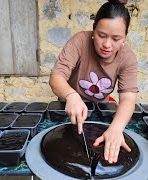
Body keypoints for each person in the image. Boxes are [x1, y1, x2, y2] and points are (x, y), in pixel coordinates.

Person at [49, 0, 138, 164]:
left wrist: (116, 129)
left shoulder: (128, 58)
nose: (107, 44)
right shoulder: (80, 42)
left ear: (125, 37)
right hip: (69, 108)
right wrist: (71, 95)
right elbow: (56, 77)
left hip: (100, 113)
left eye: (116, 38)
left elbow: (128, 99)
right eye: (101, 35)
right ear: (93, 30)